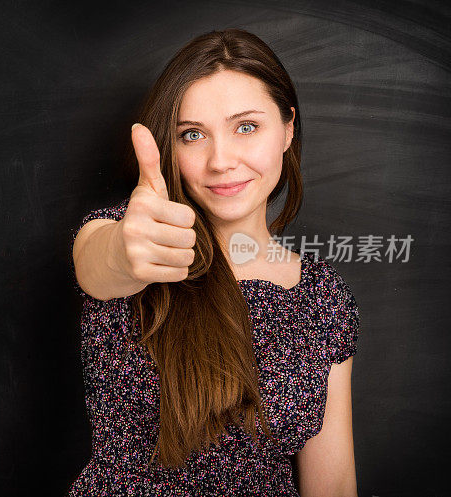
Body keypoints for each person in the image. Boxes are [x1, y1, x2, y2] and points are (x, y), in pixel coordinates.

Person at [68, 28, 360, 496]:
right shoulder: (128, 234)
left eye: (246, 126)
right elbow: (101, 262)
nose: (221, 160)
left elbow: (334, 482)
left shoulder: (324, 297)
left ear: (287, 129)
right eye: (192, 135)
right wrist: (126, 252)